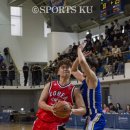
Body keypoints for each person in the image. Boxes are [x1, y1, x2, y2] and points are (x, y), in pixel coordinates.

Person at [33, 58, 86, 130]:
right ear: (58, 72)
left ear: (71, 72)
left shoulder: (75, 90)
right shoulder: (49, 85)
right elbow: (40, 102)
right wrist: (51, 108)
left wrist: (71, 111)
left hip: (57, 124)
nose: (65, 69)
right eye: (63, 67)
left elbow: (83, 110)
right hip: (41, 121)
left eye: (68, 67)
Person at [71, 42, 106, 130]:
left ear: (93, 69)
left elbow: (82, 62)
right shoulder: (84, 80)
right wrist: (78, 58)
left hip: (96, 117)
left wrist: (79, 49)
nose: (83, 68)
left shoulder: (93, 79)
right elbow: (73, 70)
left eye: (86, 66)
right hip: (89, 118)